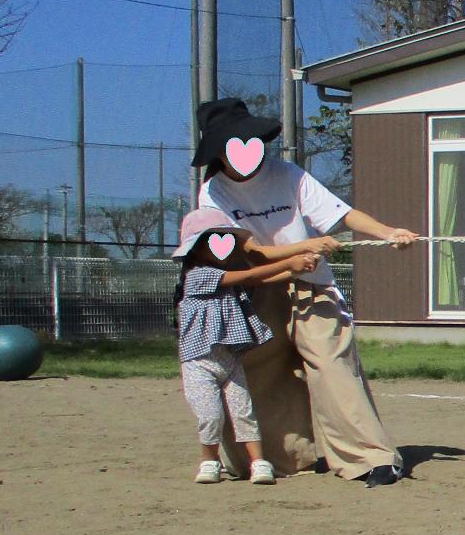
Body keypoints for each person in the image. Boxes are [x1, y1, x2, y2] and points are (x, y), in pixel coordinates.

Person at [193, 97, 418, 488]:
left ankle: (369, 458)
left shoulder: (287, 174)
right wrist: (301, 251)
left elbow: (340, 213)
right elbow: (251, 250)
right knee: (259, 369)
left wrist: (387, 233)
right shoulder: (212, 194)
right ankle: (275, 457)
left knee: (332, 361)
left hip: (311, 283)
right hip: (258, 285)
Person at [171, 208, 317, 486]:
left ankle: (258, 462)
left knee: (243, 411)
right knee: (211, 415)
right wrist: (291, 262)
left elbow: (260, 279)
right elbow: (251, 277)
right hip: (198, 361)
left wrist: (293, 270)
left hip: (230, 358)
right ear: (197, 248)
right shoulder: (197, 276)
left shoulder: (228, 278)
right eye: (213, 240)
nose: (222, 247)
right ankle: (209, 461)